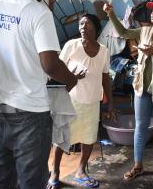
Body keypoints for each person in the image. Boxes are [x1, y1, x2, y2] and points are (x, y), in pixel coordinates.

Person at [0, 0, 84, 189]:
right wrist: (71, 80)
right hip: (29, 111)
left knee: (2, 175)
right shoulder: (39, 13)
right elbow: (49, 64)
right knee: (31, 179)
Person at [103, 0, 153, 180]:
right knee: (140, 126)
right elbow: (123, 32)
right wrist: (110, 14)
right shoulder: (144, 31)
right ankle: (138, 165)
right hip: (141, 88)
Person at [47, 13, 116, 189]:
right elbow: (56, 69)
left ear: (96, 27)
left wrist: (110, 103)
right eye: (80, 24)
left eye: (87, 24)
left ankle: (80, 171)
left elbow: (105, 78)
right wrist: (71, 76)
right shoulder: (72, 45)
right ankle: (54, 173)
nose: (83, 27)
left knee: (88, 138)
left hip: (92, 102)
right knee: (62, 139)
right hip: (69, 101)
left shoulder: (103, 50)